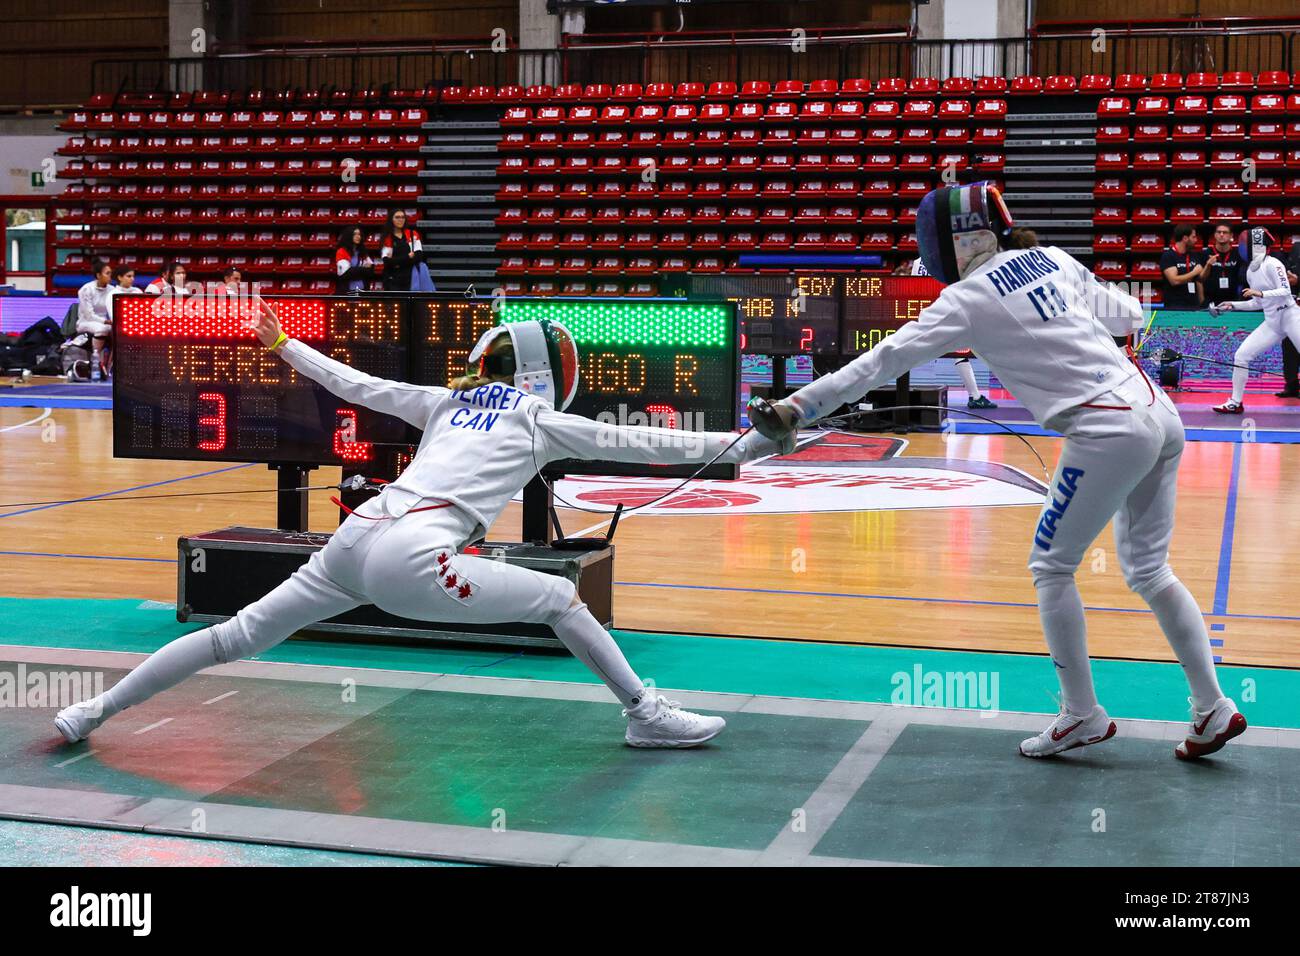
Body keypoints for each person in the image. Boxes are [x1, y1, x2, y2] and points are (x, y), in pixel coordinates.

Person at [56, 299, 780, 749]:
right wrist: (746, 445)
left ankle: (93, 710)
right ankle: (646, 713)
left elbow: (353, 384)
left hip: (354, 537)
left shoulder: (441, 401)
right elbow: (642, 444)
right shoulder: (538, 418)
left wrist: (283, 344)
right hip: (414, 558)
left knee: (234, 635)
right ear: (544, 370)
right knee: (561, 598)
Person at [747, 181, 1245, 761]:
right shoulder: (1053, 259)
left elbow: (880, 362)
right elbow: (1131, 313)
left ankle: (1081, 714)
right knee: (1150, 569)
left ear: (953, 243)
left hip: (1108, 429)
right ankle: (1212, 708)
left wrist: (795, 408)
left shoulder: (966, 300)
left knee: (1051, 567)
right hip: (1160, 415)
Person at [1209, 228, 1300, 415]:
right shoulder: (1251, 271)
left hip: (1290, 316)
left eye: (1245, 243)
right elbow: (1257, 303)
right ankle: (1235, 402)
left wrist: (1261, 293)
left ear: (1256, 246)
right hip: (1273, 322)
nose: (1241, 247)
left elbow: (1285, 290)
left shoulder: (1273, 264)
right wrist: (1232, 305)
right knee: (1241, 356)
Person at [896, 256, 997, 410]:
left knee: (906, 350)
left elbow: (914, 288)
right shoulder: (947, 260)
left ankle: (896, 393)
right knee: (960, 352)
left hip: (925, 313)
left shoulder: (917, 262)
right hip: (945, 312)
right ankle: (975, 397)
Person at [76, 258, 114, 380]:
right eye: (107, 273)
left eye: (110, 274)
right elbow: (88, 314)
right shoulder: (86, 289)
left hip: (105, 322)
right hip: (85, 322)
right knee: (103, 328)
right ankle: (96, 361)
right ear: (98, 275)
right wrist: (105, 321)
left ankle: (110, 367)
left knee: (118, 331)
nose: (110, 276)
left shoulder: (112, 290)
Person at [1159, 225, 1206, 310]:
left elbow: (1199, 280)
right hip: (1174, 306)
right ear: (1185, 238)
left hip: (1193, 305)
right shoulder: (1169, 256)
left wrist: (1201, 302)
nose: (1196, 240)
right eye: (1193, 237)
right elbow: (1174, 280)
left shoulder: (1194, 255)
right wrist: (1194, 272)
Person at [1202, 222, 1245, 308]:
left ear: (1231, 235)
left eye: (1225, 232)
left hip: (1233, 300)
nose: (1221, 235)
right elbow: (1201, 278)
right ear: (1215, 235)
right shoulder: (1206, 253)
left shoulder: (1238, 254)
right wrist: (1208, 265)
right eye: (1218, 232)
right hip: (1211, 300)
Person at [379, 210, 424, 292]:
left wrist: (397, 263)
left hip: (411, 278)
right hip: (393, 280)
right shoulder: (387, 238)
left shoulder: (412, 234)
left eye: (403, 217)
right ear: (391, 219)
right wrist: (408, 257)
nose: (400, 219)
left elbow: (418, 256)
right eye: (397, 217)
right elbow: (387, 262)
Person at [1279, 240, 1300, 398]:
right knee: (1289, 343)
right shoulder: (1297, 247)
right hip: (1295, 303)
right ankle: (1291, 384)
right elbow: (1289, 270)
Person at [334, 226, 375, 295]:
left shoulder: (363, 252)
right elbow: (345, 273)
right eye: (355, 234)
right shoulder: (342, 251)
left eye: (359, 234)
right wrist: (363, 269)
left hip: (362, 291)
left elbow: (371, 271)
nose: (358, 236)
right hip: (347, 291)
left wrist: (355, 270)